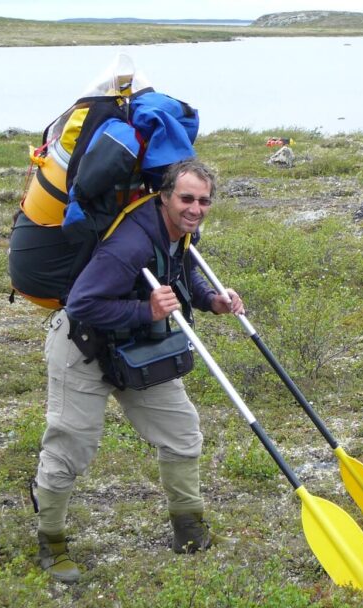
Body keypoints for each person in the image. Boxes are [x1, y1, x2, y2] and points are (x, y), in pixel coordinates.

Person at [32, 159, 244, 584]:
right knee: (70, 446)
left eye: (204, 201)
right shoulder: (129, 243)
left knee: (182, 433)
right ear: (164, 196)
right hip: (83, 348)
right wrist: (144, 309)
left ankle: (189, 531)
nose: (195, 208)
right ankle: (50, 544)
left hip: (136, 348)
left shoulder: (180, 234)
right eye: (186, 198)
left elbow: (179, 273)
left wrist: (209, 299)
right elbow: (83, 303)